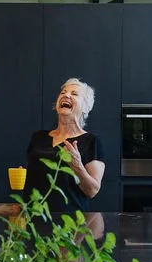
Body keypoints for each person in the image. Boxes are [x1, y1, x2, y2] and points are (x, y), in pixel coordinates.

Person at [23, 78, 105, 215]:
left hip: (70, 225)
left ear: (85, 107)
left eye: (74, 94)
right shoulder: (38, 137)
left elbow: (92, 191)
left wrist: (77, 166)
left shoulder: (92, 141)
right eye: (63, 92)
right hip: (34, 218)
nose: (66, 95)